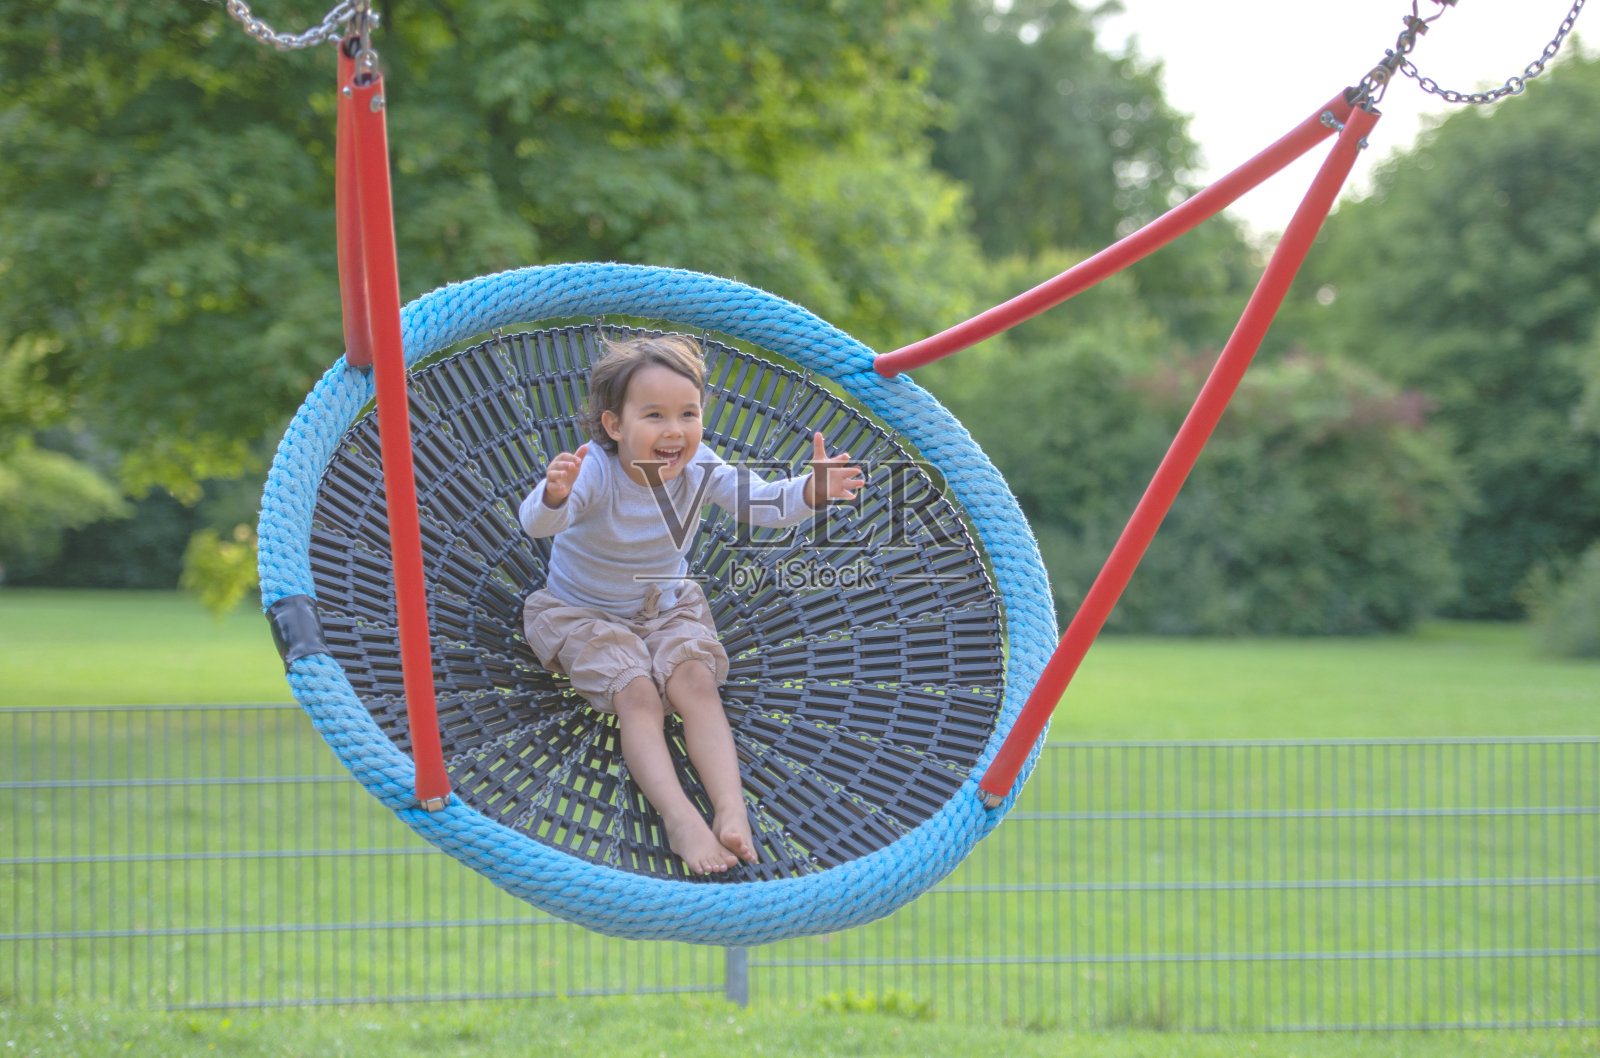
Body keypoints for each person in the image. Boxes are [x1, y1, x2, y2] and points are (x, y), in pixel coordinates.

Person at [519, 334, 864, 875]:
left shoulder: (699, 465)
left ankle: (730, 809)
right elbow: (540, 524)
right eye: (654, 415)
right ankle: (681, 818)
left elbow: (761, 502)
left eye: (688, 413)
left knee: (695, 683)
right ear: (615, 426)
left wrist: (809, 492)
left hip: (665, 605)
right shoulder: (598, 472)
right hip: (581, 614)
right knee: (637, 695)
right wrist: (554, 495)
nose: (674, 431)